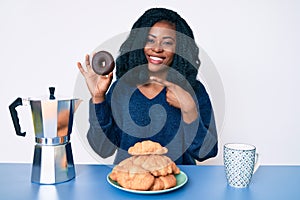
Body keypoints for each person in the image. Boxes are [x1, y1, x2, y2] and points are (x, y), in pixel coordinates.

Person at [77, 7, 218, 165]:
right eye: (150, 40)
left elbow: (206, 152)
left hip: (179, 181)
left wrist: (189, 110)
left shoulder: (194, 90)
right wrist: (98, 98)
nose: (157, 48)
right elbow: (102, 149)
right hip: (129, 183)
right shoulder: (122, 89)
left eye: (167, 43)